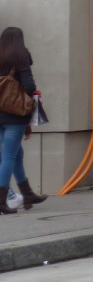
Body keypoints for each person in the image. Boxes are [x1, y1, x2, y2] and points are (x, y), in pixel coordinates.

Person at [0, 26, 45, 214]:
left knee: (16, 154)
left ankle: (27, 194)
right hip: (15, 114)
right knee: (9, 155)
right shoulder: (20, 56)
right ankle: (1, 200)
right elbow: (28, 85)